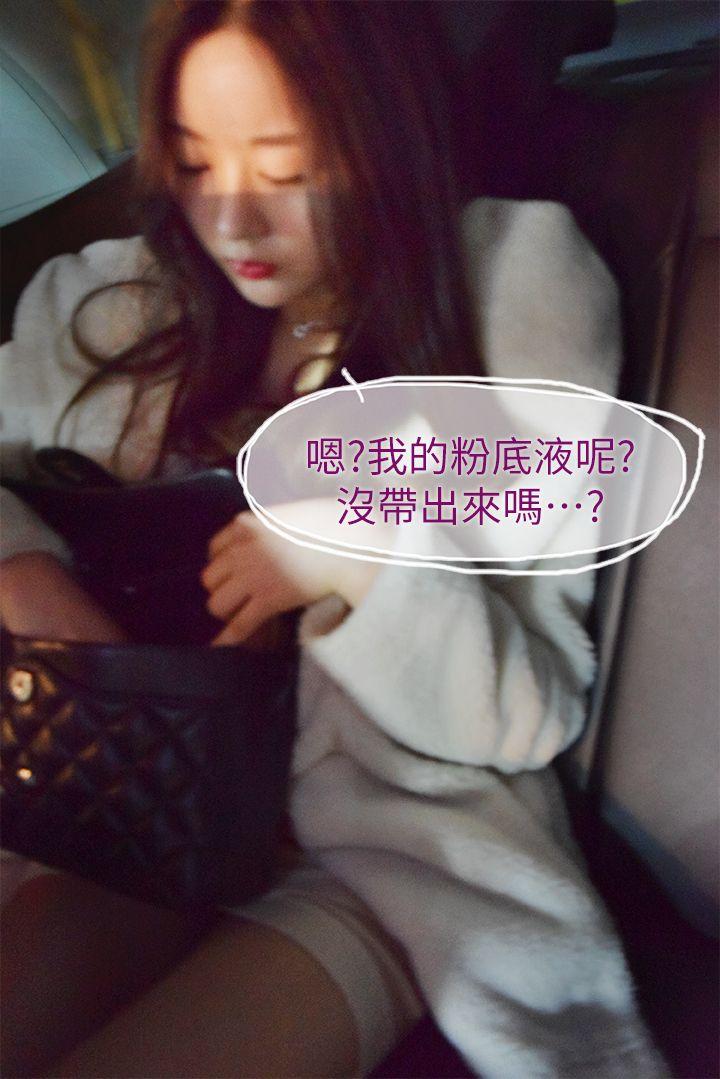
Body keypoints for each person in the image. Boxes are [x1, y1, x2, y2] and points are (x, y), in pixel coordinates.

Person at [0, 2, 666, 1076]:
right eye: (195, 163)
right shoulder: (112, 304)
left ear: (388, 136)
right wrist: (26, 570)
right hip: (131, 799)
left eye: (289, 168)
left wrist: (358, 559)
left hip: (380, 854)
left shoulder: (515, 292)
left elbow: (529, 708)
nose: (234, 221)